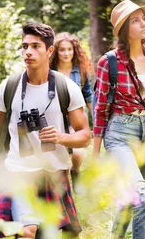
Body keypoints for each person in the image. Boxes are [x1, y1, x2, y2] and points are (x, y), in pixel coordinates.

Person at [0, 22, 91, 238]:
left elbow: (85, 136)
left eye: (35, 46)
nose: (28, 52)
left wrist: (61, 137)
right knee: (26, 231)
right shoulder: (10, 86)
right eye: (25, 46)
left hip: (54, 176)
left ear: (49, 50)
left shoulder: (66, 87)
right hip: (18, 173)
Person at [93, 0, 145, 239]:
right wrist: (95, 153)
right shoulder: (108, 62)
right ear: (123, 29)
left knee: (131, 196)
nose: (143, 25)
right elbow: (100, 109)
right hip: (120, 133)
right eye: (135, 20)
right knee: (142, 198)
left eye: (144, 19)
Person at [49, 32, 93, 185]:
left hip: (76, 117)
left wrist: (97, 119)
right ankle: (61, 184)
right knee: (57, 154)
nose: (66, 53)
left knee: (78, 154)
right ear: (55, 51)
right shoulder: (49, 70)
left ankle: (76, 171)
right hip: (56, 116)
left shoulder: (80, 71)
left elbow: (88, 95)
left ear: (74, 51)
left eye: (69, 49)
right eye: (62, 50)